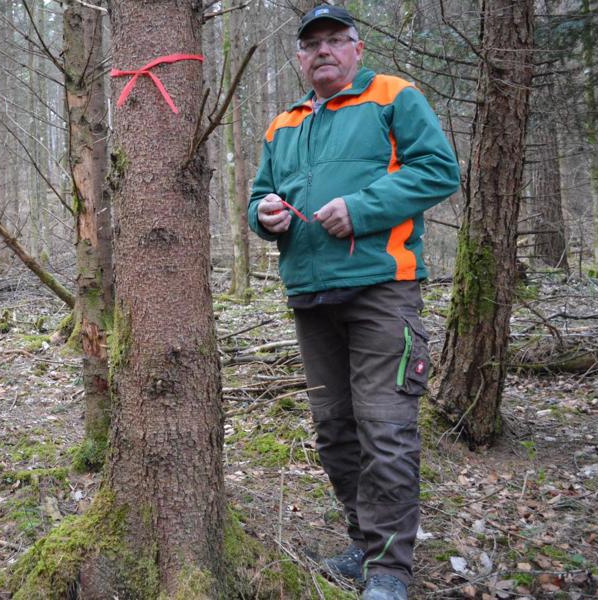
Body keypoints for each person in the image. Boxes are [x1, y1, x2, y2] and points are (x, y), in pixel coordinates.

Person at [247, 5, 460, 600]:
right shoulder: (283, 123)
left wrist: (360, 209)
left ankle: (391, 570)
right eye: (312, 43)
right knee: (335, 429)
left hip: (382, 289)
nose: (324, 51)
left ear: (357, 49)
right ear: (299, 57)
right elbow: (262, 191)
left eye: (336, 40)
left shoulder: (395, 97)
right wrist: (263, 215)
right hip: (310, 294)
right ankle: (364, 542)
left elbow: (439, 171)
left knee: (385, 428)